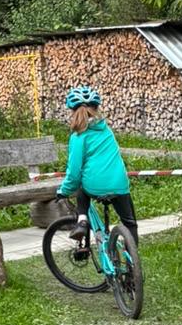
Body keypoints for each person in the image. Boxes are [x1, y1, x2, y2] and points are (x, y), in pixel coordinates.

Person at [57, 85, 138, 246]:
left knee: (81, 187)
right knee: (130, 223)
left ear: (73, 112)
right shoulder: (107, 130)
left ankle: (82, 221)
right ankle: (132, 259)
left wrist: (63, 191)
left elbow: (74, 173)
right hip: (119, 184)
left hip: (93, 186)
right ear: (96, 109)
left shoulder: (78, 137)